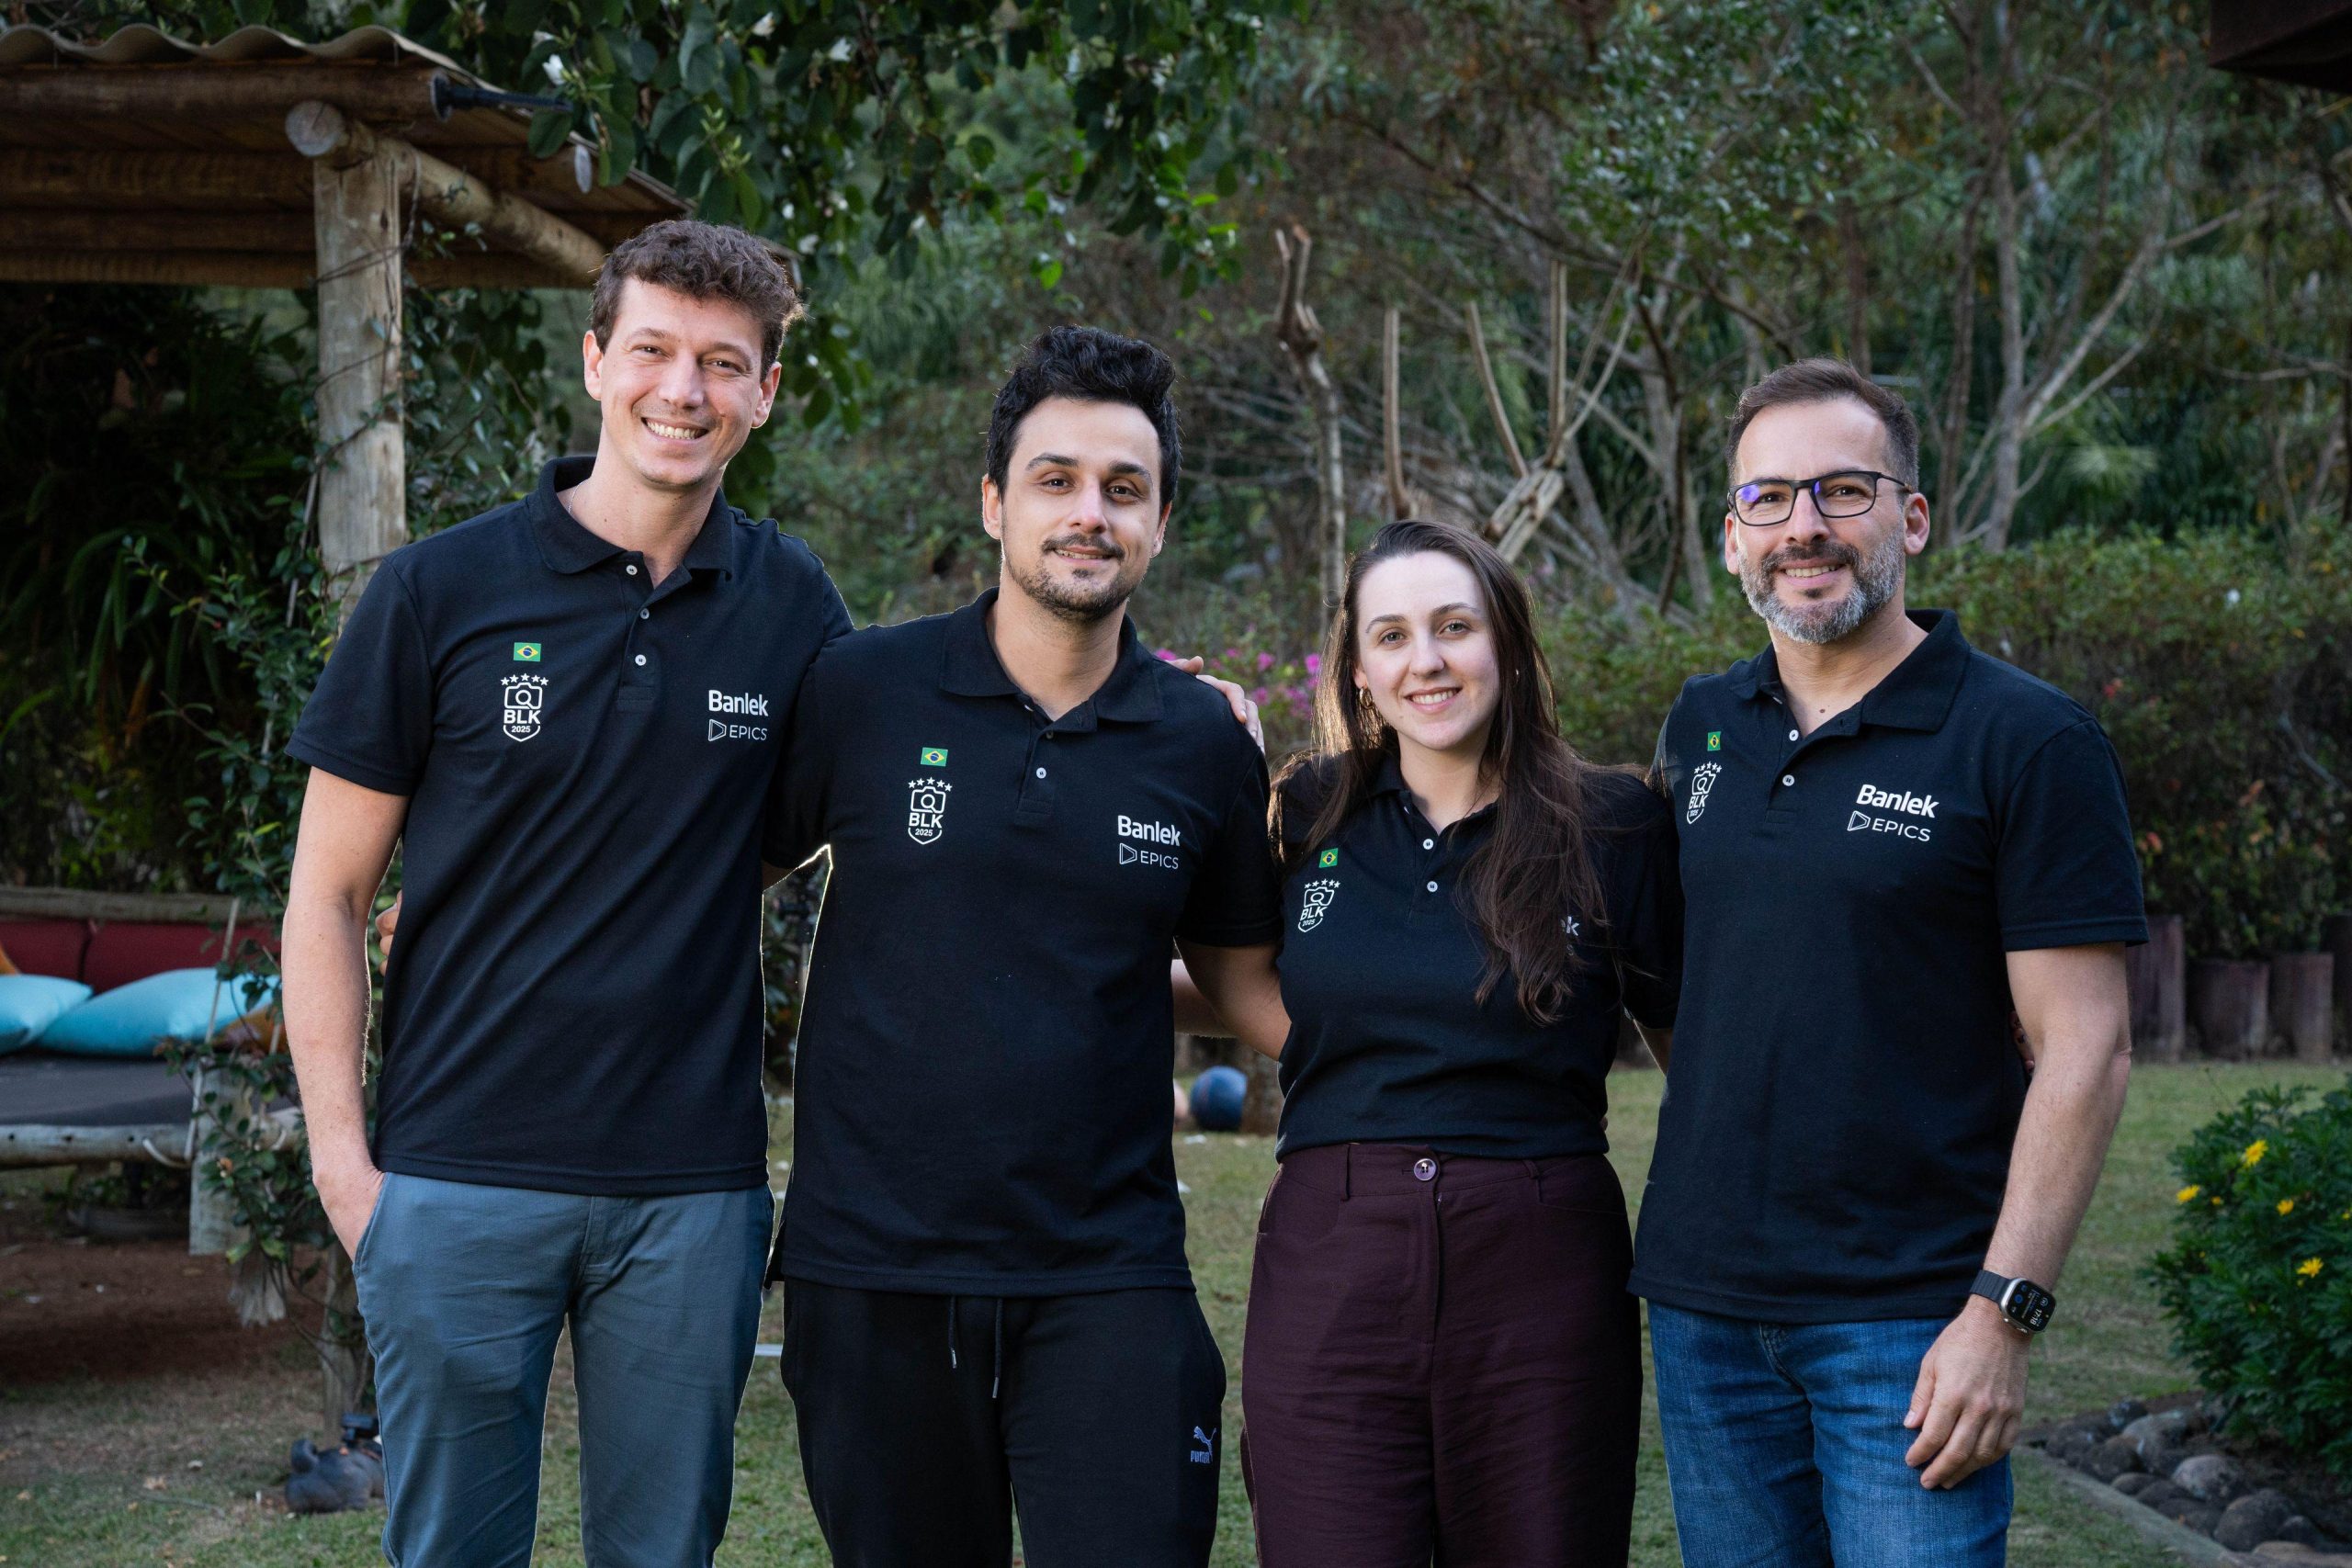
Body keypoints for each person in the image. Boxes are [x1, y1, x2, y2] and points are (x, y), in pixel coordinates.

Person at [281, 220, 840, 1567]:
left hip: (689, 1192)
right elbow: (327, 892)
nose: (682, 389)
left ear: (763, 393)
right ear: (596, 361)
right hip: (456, 1171)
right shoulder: (440, 589)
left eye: (724, 362)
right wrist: (346, 1166)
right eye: (652, 349)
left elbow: (789, 834)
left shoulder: (794, 606)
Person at [760, 325, 1285, 1568]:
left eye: (1123, 487)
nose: (1088, 512)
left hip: (1109, 1270)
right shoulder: (862, 690)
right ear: (994, 500)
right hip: (874, 1267)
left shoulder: (1203, 740)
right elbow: (712, 878)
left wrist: (1439, 1062)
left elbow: (1240, 979)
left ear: (1162, 519)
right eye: (1055, 479)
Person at [1633, 358, 2144, 1566]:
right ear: (1730, 536)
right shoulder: (1702, 722)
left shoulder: (2026, 738)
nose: (1803, 525)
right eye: (1768, 498)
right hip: (1705, 1312)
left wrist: (2002, 1313)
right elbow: (1694, 995)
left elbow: (2089, 1047)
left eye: (1842, 490)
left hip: (1911, 1322)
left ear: (1910, 516)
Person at [1177, 518, 1681, 1566]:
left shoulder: (1614, 824)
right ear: (1359, 671)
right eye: (1393, 636)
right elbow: (1232, 967)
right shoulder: (1308, 812)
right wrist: (1167, 724)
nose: (1428, 661)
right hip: (1332, 1259)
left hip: (1542, 1268)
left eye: (1455, 627)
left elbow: (1698, 1052)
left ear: (1504, 643)